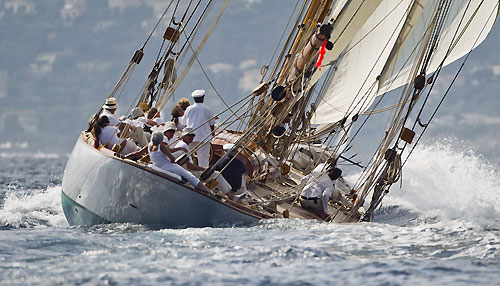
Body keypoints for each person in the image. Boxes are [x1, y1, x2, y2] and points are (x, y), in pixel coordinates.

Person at [178, 89, 215, 168]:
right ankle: (203, 175)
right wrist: (213, 134)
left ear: (194, 99)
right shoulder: (208, 109)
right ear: (203, 98)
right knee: (204, 161)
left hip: (191, 137)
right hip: (204, 138)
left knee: (186, 156)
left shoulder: (189, 109)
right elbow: (212, 125)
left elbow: (184, 123)